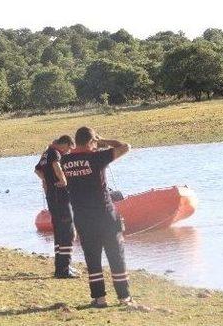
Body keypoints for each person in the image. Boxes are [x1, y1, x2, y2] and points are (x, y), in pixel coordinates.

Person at [60, 126, 133, 308]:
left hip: (83, 218)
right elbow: (126, 147)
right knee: (116, 256)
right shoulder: (96, 157)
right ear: (92, 142)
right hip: (105, 216)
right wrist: (103, 141)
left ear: (76, 141)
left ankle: (99, 299)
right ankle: (124, 297)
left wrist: (93, 144)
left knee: (92, 259)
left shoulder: (65, 160)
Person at [34, 135, 77, 278]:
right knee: (68, 230)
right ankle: (64, 269)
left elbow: (37, 170)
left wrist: (46, 180)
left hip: (52, 196)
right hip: (60, 196)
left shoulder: (47, 152)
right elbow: (56, 165)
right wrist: (63, 180)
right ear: (64, 144)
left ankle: (62, 267)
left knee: (59, 230)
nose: (68, 152)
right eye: (68, 148)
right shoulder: (54, 153)